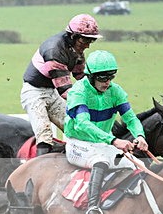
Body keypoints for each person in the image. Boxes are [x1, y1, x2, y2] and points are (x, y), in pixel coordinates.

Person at [63, 50, 148, 214]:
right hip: (77, 143)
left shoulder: (115, 91)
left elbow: (131, 119)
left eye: (111, 77)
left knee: (136, 164)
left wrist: (140, 135)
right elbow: (83, 124)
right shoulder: (78, 92)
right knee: (101, 160)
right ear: (91, 76)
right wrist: (114, 140)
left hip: (102, 142)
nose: (107, 82)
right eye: (103, 78)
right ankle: (92, 208)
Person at [21, 14, 102, 157]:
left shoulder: (76, 49)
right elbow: (66, 91)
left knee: (77, 128)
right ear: (73, 36)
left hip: (52, 92)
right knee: (45, 135)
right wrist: (87, 104)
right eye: (85, 40)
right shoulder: (54, 52)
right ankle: (38, 170)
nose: (88, 44)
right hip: (34, 93)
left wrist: (98, 94)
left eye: (91, 40)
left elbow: (80, 76)